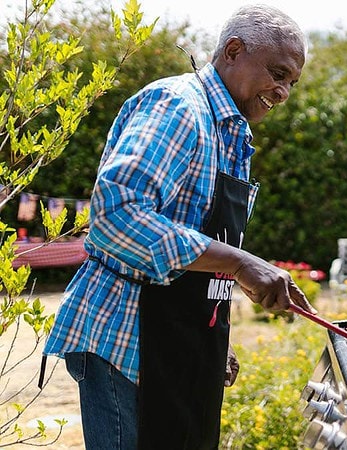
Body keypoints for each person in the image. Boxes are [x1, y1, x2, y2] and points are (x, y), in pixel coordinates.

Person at [42, 4, 315, 449]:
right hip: (128, 338)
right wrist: (241, 263)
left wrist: (211, 336)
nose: (283, 92)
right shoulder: (178, 106)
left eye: (292, 83)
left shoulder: (231, 132)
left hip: (179, 338)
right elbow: (117, 216)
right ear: (233, 51)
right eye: (278, 73)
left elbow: (197, 236)